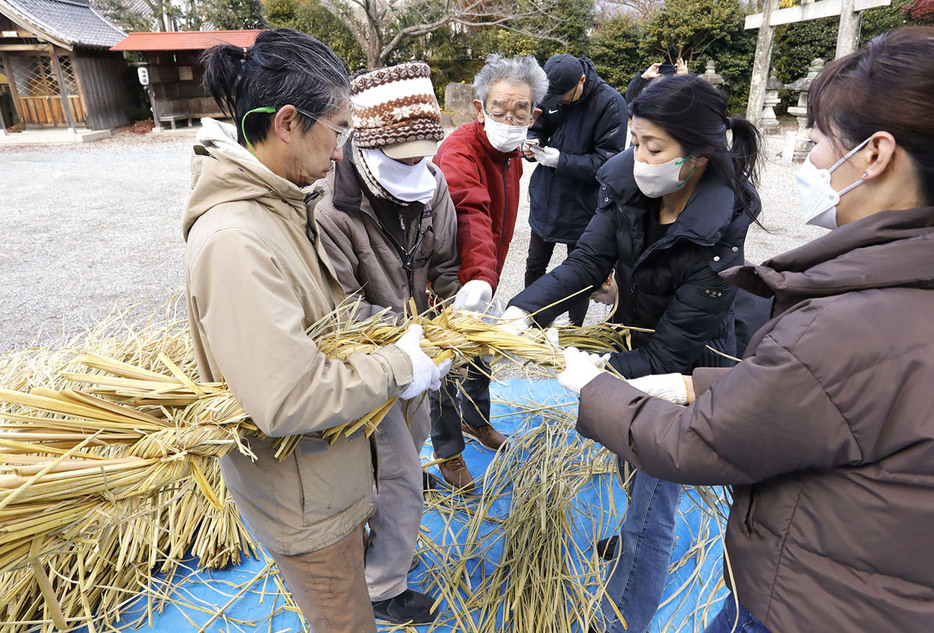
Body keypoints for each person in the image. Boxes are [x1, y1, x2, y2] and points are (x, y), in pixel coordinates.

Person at [564, 27, 934, 633]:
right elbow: (843, 401)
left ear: (875, 154)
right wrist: (697, 389)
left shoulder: (847, 316)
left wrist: (593, 386)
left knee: (650, 514)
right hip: (873, 573)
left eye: (818, 141)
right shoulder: (895, 287)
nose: (812, 160)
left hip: (823, 596)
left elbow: (698, 442)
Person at [184, 30, 449, 633]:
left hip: (325, 476)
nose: (340, 152)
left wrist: (390, 336)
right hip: (302, 495)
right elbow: (289, 397)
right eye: (336, 127)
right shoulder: (237, 241)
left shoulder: (281, 205)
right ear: (287, 122)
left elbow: (321, 319)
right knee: (344, 621)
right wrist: (399, 368)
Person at [505, 74, 762, 633]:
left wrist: (596, 377)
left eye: (654, 148)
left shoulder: (721, 229)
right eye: (635, 141)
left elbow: (673, 350)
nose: (639, 157)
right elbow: (585, 263)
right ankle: (626, 533)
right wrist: (522, 312)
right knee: (626, 452)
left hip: (690, 365)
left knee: (653, 502)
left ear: (697, 156)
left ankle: (621, 620)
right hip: (631, 334)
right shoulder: (626, 185)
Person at [315, 61, 459, 625]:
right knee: (400, 475)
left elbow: (444, 261)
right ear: (367, 149)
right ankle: (382, 586)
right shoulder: (332, 208)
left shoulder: (431, 184)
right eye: (402, 159)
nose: (416, 168)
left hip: (422, 348)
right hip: (366, 360)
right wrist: (406, 339)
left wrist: (457, 306)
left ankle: (380, 539)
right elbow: (341, 310)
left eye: (424, 155)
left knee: (412, 441)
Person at [521, 54, 628, 326]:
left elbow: (609, 161)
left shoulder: (610, 103)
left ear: (581, 80)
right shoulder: (552, 95)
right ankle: (530, 318)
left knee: (579, 270)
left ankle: (575, 328)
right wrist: (532, 142)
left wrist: (561, 160)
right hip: (546, 197)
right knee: (535, 263)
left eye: (563, 96)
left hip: (583, 203)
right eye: (551, 96)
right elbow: (540, 125)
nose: (557, 101)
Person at [624, 58, 689, 104]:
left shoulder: (672, 107)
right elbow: (630, 100)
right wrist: (643, 77)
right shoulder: (644, 106)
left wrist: (683, 79)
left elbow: (687, 103)